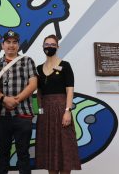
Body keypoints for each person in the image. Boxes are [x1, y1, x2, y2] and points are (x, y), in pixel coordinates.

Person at [35, 34, 81, 173]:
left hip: (62, 110)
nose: (49, 47)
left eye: (52, 45)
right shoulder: (38, 68)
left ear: (57, 47)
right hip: (46, 112)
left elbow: (70, 90)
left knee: (65, 148)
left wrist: (68, 110)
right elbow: (39, 93)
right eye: (46, 45)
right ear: (43, 47)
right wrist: (40, 112)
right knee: (50, 151)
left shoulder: (65, 66)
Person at [0, 30, 37, 174]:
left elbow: (33, 84)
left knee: (23, 154)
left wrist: (16, 100)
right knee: (3, 154)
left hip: (23, 114)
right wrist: (4, 98)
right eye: (8, 42)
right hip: (2, 115)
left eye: (14, 42)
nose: (11, 45)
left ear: (18, 45)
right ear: (2, 45)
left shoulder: (27, 61)